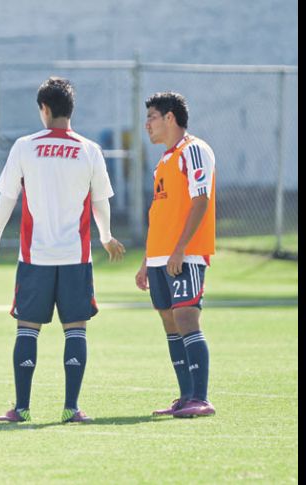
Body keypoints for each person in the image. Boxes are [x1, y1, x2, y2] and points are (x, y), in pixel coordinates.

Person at [0, 77, 126, 423]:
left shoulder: (25, 146)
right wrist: (106, 236)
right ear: (71, 109)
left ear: (44, 109)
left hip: (35, 257)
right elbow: (101, 201)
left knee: (27, 328)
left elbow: (8, 198)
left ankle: (22, 408)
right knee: (76, 329)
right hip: (76, 257)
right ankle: (72, 408)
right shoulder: (89, 150)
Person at [135, 91, 216, 418]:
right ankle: (185, 397)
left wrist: (180, 248)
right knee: (170, 323)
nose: (147, 125)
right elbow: (159, 215)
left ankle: (201, 397)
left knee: (186, 317)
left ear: (170, 117)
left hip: (186, 255)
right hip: (159, 258)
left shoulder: (194, 150)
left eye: (152, 117)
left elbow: (201, 201)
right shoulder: (164, 161)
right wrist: (145, 261)